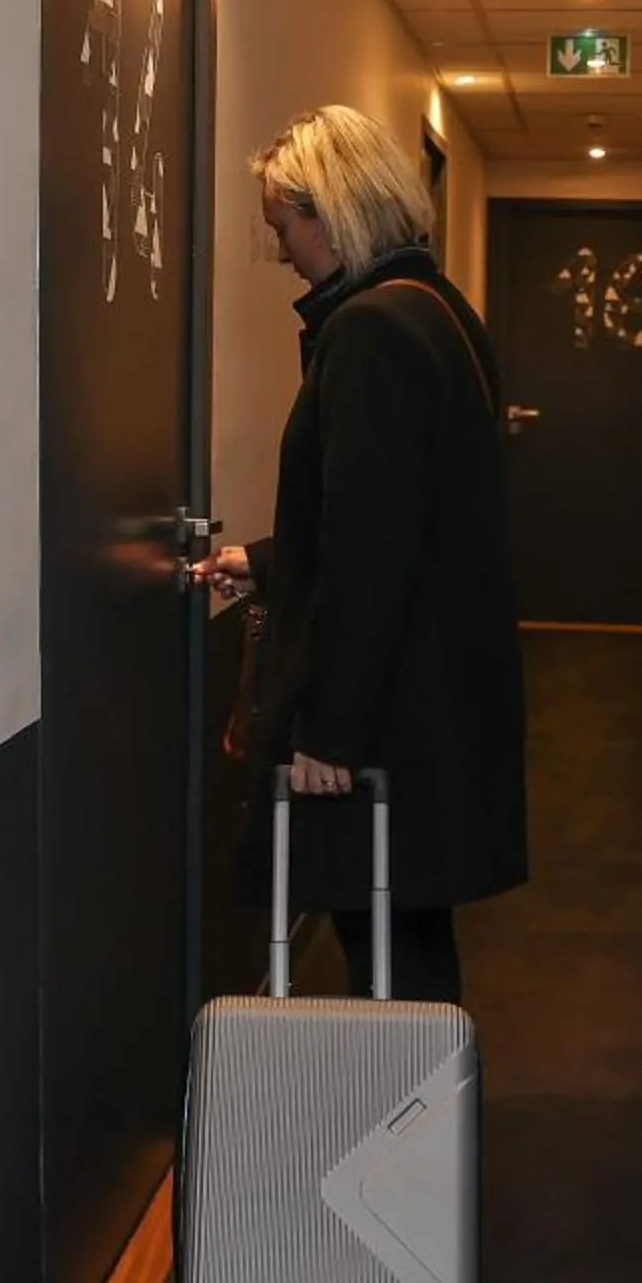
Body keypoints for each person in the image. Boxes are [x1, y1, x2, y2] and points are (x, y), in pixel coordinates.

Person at [196, 105, 527, 1004]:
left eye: (282, 228)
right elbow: (396, 508)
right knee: (407, 939)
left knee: (386, 947)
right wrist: (264, 560)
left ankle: (410, 1130)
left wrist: (329, 730)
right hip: (435, 693)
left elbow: (373, 544)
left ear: (328, 212)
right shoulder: (438, 312)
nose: (282, 255)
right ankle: (424, 1125)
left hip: (387, 708)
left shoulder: (370, 332)